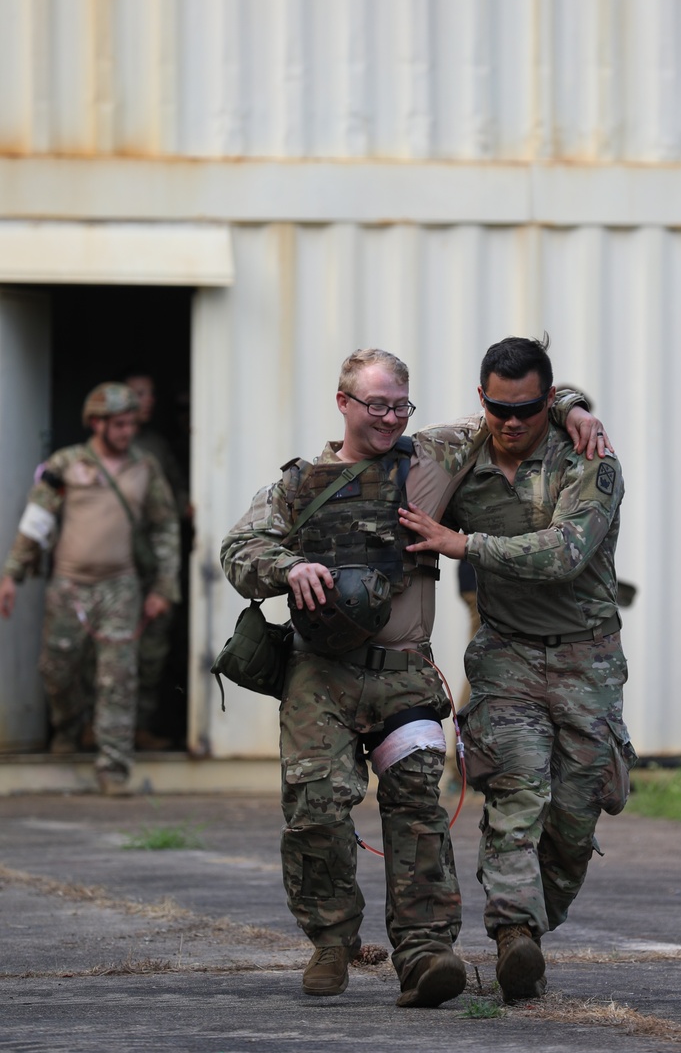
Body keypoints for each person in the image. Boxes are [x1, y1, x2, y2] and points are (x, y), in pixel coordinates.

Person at [220, 347, 605, 1008]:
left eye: (401, 405)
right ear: (343, 404)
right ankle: (331, 938)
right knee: (316, 810)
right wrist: (288, 569)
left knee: (419, 811)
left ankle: (426, 954)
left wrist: (574, 407)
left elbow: (509, 409)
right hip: (321, 677)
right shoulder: (299, 484)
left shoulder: (432, 455)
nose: (390, 418)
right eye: (376, 405)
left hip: (404, 674)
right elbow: (239, 549)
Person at [399, 336, 634, 1005]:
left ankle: (537, 919)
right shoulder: (462, 453)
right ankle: (514, 936)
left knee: (576, 814)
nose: (511, 423)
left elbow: (565, 553)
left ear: (546, 403)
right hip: (506, 655)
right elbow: (386, 467)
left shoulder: (589, 458)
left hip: (586, 656)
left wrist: (463, 543)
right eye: (499, 410)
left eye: (529, 408)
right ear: (482, 401)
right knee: (515, 793)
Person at [0, 383, 180, 795]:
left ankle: (113, 769)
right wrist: (12, 574)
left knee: (118, 677)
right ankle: (68, 729)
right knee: (57, 669)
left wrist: (163, 587)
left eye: (132, 423)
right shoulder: (67, 464)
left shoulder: (145, 468)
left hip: (121, 586)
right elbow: (37, 522)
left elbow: (165, 526)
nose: (127, 431)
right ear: (96, 423)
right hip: (67, 586)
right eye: (119, 424)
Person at [123, 371, 187, 750]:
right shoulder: (88, 456)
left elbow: (176, 496)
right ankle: (82, 730)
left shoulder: (155, 448)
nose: (147, 400)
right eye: (137, 393)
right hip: (111, 567)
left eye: (150, 393)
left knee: (150, 651)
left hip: (151, 565)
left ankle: (139, 727)